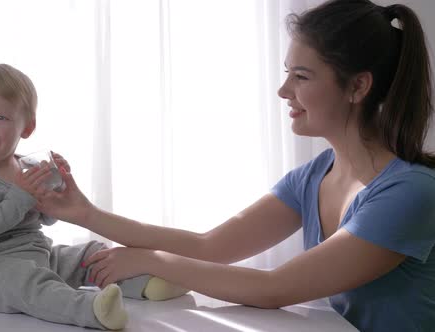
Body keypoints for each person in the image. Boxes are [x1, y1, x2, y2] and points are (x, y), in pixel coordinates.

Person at [34, 1, 435, 331]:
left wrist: (148, 260)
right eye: (286, 74)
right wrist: (85, 213)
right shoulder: (316, 175)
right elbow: (211, 246)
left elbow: (276, 287)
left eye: (301, 76)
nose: (284, 91)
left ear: (358, 87)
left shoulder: (409, 193)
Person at [0, 63, 187, 331]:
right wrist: (20, 197)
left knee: (90, 253)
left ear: (27, 127)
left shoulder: (26, 166)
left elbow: (46, 219)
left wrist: (56, 185)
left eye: (0, 118)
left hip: (38, 254)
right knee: (27, 283)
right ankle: (92, 309)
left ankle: (146, 284)